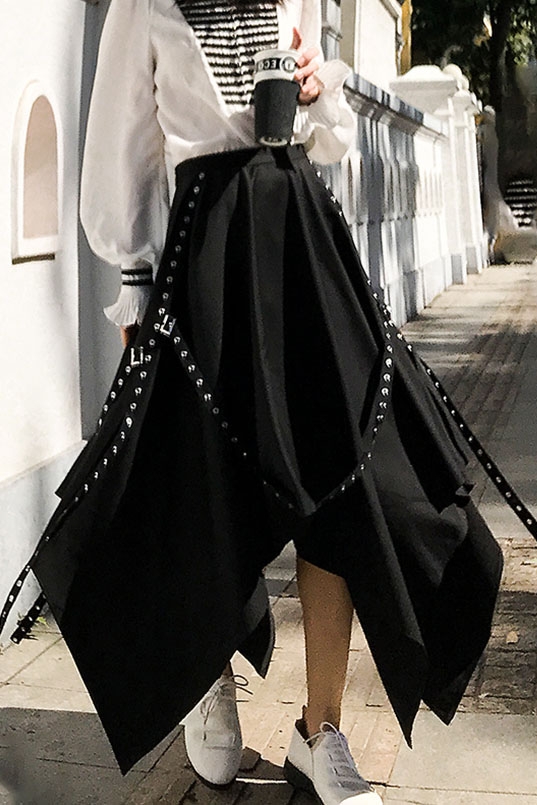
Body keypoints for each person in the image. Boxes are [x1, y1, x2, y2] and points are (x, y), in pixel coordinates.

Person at [0, 0, 503, 803]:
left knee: (339, 484)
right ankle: (206, 680)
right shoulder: (146, 5)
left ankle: (321, 730)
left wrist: (317, 87)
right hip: (204, 253)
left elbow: (329, 138)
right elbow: (119, 152)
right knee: (202, 485)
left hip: (299, 240)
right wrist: (135, 295)